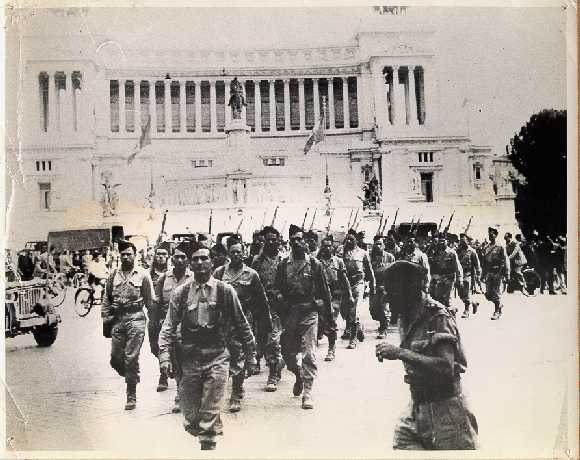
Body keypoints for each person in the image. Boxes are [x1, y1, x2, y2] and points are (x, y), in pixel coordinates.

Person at [158, 240, 257, 451]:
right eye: (195, 259)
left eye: (204, 258)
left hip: (217, 357)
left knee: (209, 418)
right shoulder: (181, 293)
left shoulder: (225, 291)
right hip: (190, 359)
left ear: (212, 263)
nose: (200, 262)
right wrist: (164, 356)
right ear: (190, 265)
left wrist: (251, 356)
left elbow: (242, 324)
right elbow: (168, 326)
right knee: (191, 419)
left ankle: (208, 441)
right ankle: (206, 427)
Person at [375, 260, 478, 450]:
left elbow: (446, 367)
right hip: (417, 406)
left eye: (392, 291)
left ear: (411, 289)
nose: (387, 297)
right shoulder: (404, 315)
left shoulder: (438, 317)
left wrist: (401, 353)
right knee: (402, 445)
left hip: (446, 411)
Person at [274, 224, 332, 409]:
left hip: (309, 312)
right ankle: (298, 374)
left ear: (306, 242)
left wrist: (328, 318)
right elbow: (276, 288)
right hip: (291, 313)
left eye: (300, 239)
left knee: (309, 353)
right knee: (287, 355)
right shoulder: (283, 265)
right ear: (289, 242)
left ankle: (307, 392)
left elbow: (324, 292)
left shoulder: (315, 265)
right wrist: (280, 298)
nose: (297, 242)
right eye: (293, 240)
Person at [214, 235, 272, 412]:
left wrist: (265, 322)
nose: (237, 255)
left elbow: (261, 300)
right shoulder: (219, 273)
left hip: (242, 319)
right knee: (221, 356)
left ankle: (236, 393)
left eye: (239, 252)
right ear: (228, 254)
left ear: (244, 253)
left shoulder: (251, 274)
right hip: (222, 321)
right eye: (233, 252)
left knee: (238, 355)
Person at [101, 240, 154, 410]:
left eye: (128, 254)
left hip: (136, 318)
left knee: (131, 357)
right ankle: (132, 375)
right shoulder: (113, 275)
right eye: (123, 254)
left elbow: (150, 300)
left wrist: (155, 321)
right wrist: (106, 318)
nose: (125, 257)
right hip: (118, 319)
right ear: (119, 256)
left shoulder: (143, 275)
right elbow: (106, 298)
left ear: (134, 255)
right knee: (115, 359)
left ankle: (131, 395)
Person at [154, 240, 194, 413]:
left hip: (188, 326)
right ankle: (179, 391)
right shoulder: (164, 278)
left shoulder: (193, 277)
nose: (179, 260)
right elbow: (156, 302)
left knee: (187, 361)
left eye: (183, 257)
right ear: (172, 259)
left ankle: (181, 395)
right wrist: (155, 323)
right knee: (175, 360)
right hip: (168, 323)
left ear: (188, 260)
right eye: (176, 257)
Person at [250, 226, 286, 392]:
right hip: (262, 307)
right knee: (263, 340)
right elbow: (253, 284)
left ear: (279, 240)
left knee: (274, 341)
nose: (271, 242)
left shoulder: (284, 260)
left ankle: (273, 373)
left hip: (280, 307)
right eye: (268, 239)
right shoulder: (257, 261)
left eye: (274, 239)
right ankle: (276, 363)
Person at [316, 235, 351, 361]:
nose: (327, 248)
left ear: (333, 247)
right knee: (319, 321)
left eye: (329, 246)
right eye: (324, 245)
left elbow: (344, 279)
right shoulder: (316, 261)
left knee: (331, 321)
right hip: (320, 295)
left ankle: (331, 349)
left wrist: (350, 295)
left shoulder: (338, 261)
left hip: (335, 296)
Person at [341, 229, 375, 349]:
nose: (349, 241)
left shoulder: (363, 253)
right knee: (345, 311)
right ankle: (359, 328)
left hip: (358, 284)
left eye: (352, 239)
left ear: (356, 240)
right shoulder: (342, 252)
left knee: (354, 312)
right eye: (347, 239)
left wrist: (373, 285)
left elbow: (370, 270)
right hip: (345, 285)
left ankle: (353, 339)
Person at [428, 234, 463, 317]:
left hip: (449, 279)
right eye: (440, 241)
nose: (442, 243)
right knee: (438, 299)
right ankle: (442, 318)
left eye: (443, 241)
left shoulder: (452, 253)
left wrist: (460, 279)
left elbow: (458, 267)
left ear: (447, 241)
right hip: (439, 278)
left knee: (447, 300)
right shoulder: (435, 252)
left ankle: (451, 317)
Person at [148, 243, 170, 366]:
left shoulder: (172, 272)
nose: (161, 257)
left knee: (167, 343)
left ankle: (164, 374)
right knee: (154, 346)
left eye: (164, 254)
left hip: (168, 312)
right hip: (154, 314)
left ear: (168, 257)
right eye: (159, 254)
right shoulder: (149, 274)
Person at [369, 235, 395, 338]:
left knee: (384, 308)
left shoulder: (390, 257)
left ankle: (384, 329)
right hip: (374, 286)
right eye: (376, 244)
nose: (378, 246)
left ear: (384, 246)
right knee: (374, 311)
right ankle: (381, 324)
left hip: (385, 286)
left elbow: (394, 272)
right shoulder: (370, 257)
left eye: (380, 244)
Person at [482, 226, 510, 320]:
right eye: (489, 234)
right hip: (489, 272)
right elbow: (484, 262)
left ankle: (496, 312)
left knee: (496, 293)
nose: (490, 235)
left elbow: (505, 260)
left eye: (492, 234)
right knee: (488, 294)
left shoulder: (500, 246)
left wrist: (506, 274)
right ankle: (500, 305)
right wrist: (483, 274)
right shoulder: (486, 247)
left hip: (498, 272)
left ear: (496, 235)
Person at [456, 234, 481, 318]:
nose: (462, 242)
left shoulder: (472, 251)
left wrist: (478, 275)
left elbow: (477, 265)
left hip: (468, 274)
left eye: (464, 240)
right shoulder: (457, 251)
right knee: (460, 294)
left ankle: (466, 310)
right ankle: (474, 303)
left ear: (467, 241)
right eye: (461, 241)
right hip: (459, 274)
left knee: (466, 291)